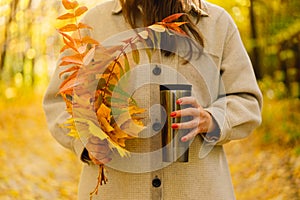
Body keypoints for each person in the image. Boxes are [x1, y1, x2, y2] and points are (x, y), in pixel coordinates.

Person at [43, 0, 263, 199]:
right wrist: (86, 141)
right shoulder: (94, 23)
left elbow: (247, 99)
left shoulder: (218, 23)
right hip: (115, 191)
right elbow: (59, 100)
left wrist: (211, 119)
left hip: (199, 190)